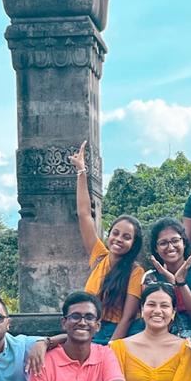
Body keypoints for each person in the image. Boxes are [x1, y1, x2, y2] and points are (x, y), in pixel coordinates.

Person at [68, 141, 143, 342]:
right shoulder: (99, 256)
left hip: (117, 333)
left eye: (126, 237)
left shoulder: (135, 272)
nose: (118, 239)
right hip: (91, 327)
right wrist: (81, 171)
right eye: (115, 233)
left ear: (134, 244)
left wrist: (112, 346)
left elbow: (128, 317)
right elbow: (84, 214)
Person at [143, 217, 191, 340]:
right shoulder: (150, 278)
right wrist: (172, 284)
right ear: (156, 248)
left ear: (184, 242)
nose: (170, 247)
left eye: (175, 240)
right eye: (163, 243)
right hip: (164, 341)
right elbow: (156, 322)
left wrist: (180, 283)